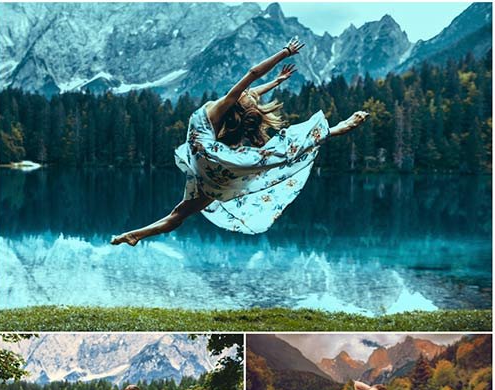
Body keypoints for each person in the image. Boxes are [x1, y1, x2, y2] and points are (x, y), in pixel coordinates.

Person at [111, 39, 366, 244]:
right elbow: (252, 92)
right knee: (272, 155)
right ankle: (332, 130)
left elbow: (252, 75)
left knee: (179, 213)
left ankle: (135, 234)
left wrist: (284, 52)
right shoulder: (231, 110)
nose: (249, 95)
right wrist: (276, 81)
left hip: (205, 160)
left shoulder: (219, 108)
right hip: (219, 174)